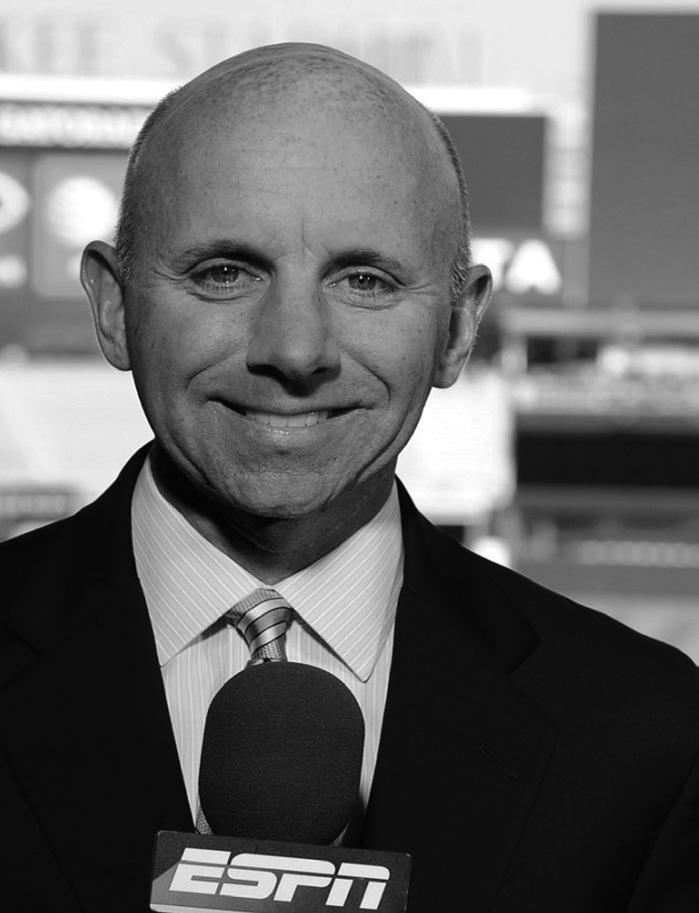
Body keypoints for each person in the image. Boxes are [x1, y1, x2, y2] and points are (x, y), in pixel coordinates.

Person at [1, 42, 698, 913]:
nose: (295, 349)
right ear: (113, 306)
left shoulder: (647, 733)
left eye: (365, 280)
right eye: (225, 272)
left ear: (457, 329)